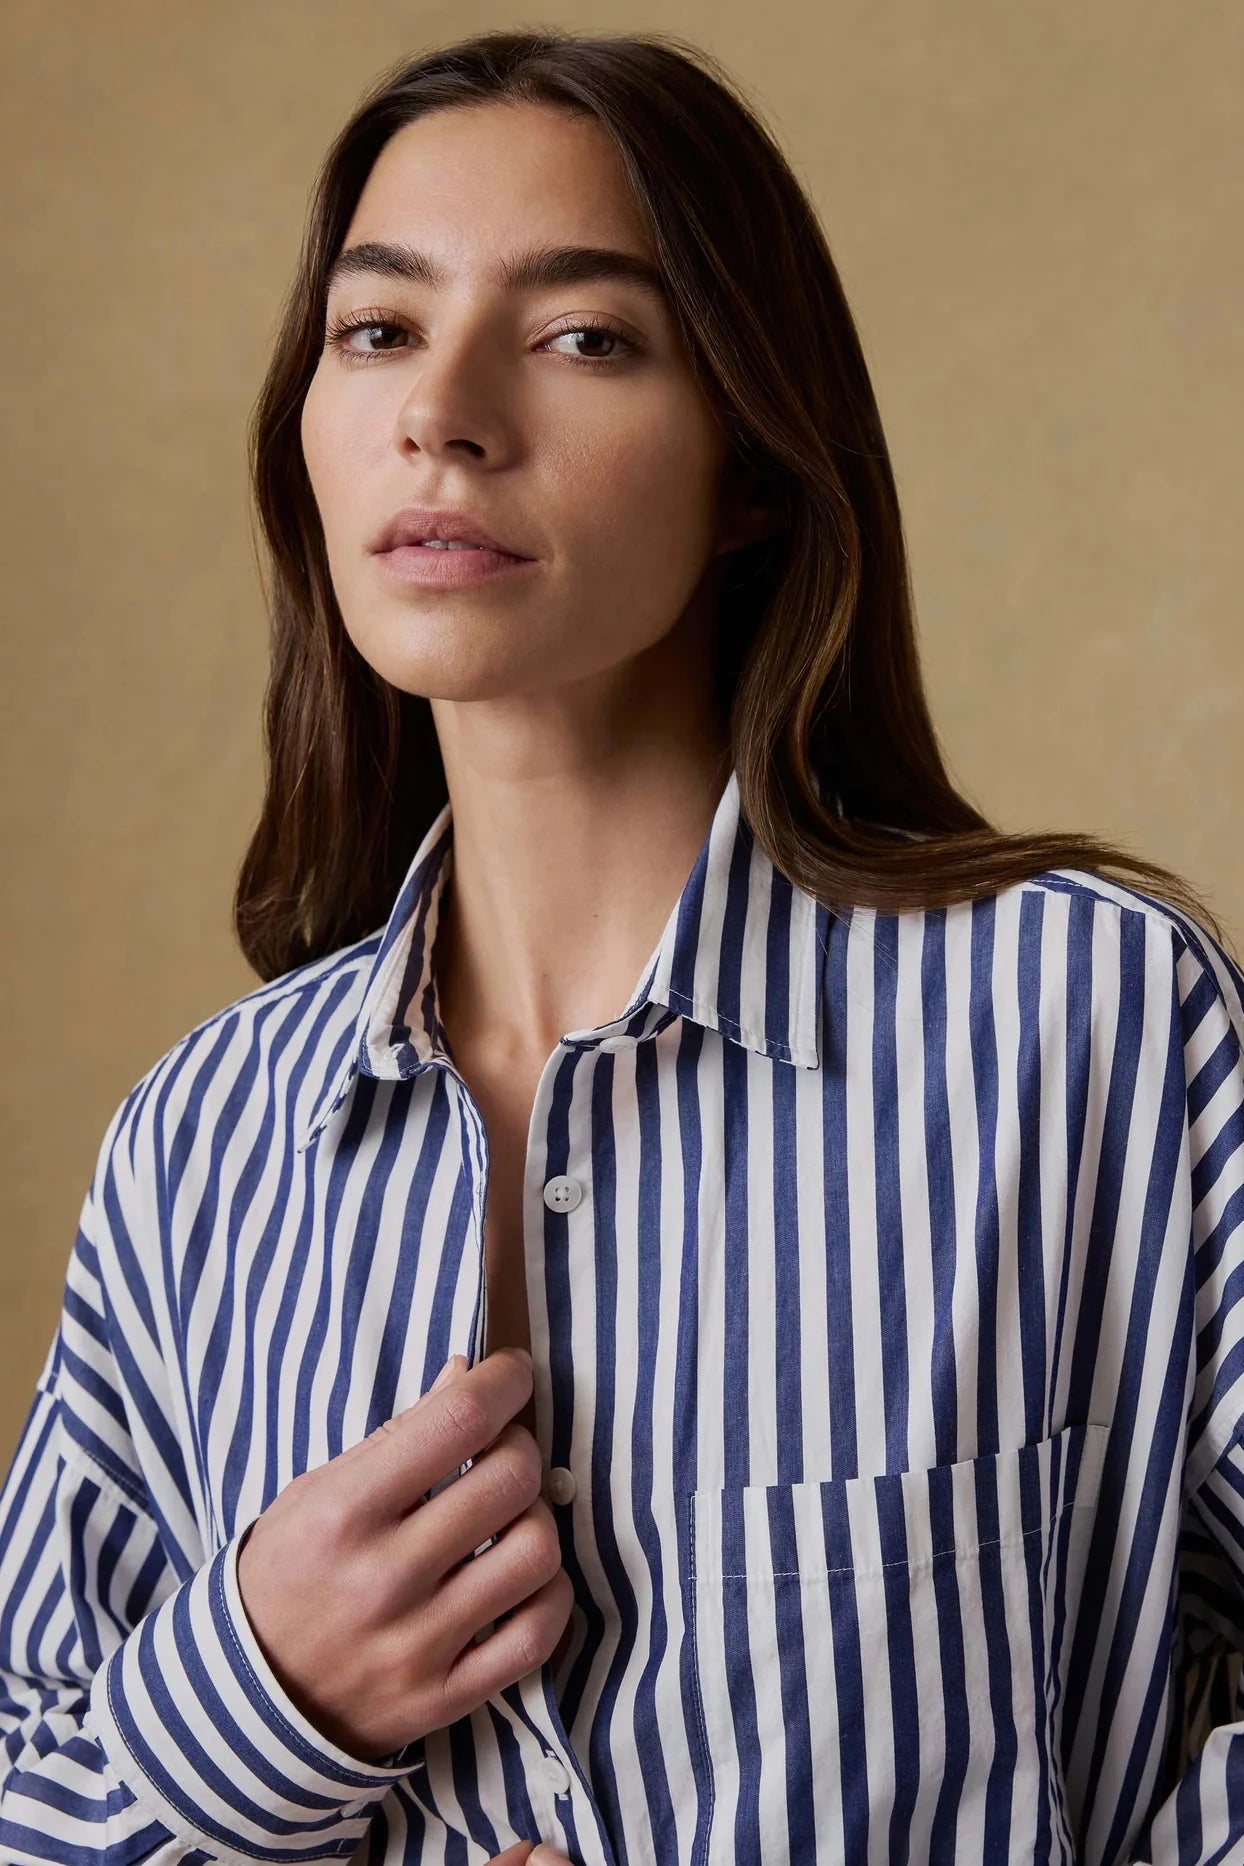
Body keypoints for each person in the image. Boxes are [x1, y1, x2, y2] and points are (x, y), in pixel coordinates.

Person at [1, 25, 1241, 1866]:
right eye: (378, 329)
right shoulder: (196, 1150)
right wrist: (255, 1698)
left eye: (584, 334)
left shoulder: (1092, 1026)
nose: (449, 412)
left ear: (752, 456)